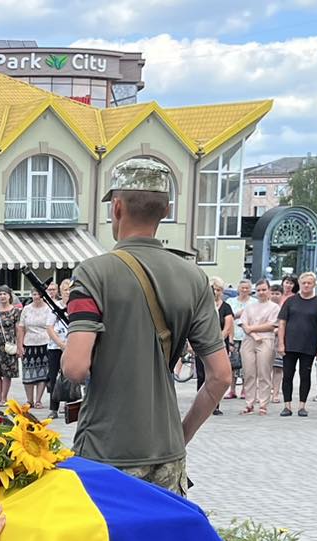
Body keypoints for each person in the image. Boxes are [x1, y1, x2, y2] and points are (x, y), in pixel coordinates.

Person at [61, 158, 230, 494]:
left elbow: (75, 369)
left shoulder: (93, 273)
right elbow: (221, 377)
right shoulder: (194, 277)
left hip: (104, 451)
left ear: (117, 208)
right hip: (167, 453)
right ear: (166, 211)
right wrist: (179, 436)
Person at [276, 272, 317, 417]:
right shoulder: (290, 301)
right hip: (290, 344)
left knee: (305, 374)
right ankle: (287, 405)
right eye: (304, 283)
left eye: (309, 283)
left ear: (314, 285)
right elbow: (282, 323)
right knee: (288, 374)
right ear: (300, 284)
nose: (306, 285)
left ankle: (302, 405)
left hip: (309, 344)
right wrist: (281, 343)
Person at [238, 280, 281, 415]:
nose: (261, 293)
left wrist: (252, 328)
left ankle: (263, 404)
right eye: (258, 290)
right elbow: (243, 323)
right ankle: (249, 403)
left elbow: (272, 325)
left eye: (264, 290)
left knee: (264, 372)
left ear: (268, 290)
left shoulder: (274, 307)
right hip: (248, 340)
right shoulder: (250, 306)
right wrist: (252, 333)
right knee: (249, 372)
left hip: (266, 339)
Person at [16, 289, 56, 410]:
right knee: (28, 372)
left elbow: (52, 327)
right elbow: (21, 328)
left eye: (39, 294)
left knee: (42, 373)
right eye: (34, 294)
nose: (36, 297)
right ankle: (29, 400)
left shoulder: (48, 309)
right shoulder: (26, 309)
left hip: (44, 343)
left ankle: (38, 400)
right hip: (29, 343)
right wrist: (20, 345)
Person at [204, 278, 234, 415]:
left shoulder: (226, 307)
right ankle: (203, 405)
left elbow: (227, 328)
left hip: (219, 345)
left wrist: (216, 341)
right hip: (203, 344)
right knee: (202, 375)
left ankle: (215, 405)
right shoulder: (203, 307)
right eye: (213, 289)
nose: (215, 292)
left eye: (218, 289)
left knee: (218, 375)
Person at [46, 279, 71, 415]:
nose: (68, 292)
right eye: (65, 290)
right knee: (53, 376)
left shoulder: (76, 305)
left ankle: (70, 405)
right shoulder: (55, 306)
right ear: (61, 292)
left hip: (72, 346)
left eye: (70, 289)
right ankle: (53, 408)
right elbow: (49, 327)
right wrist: (61, 344)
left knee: (71, 376)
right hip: (56, 346)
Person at [0, 287, 21, 403]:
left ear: (9, 296)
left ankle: (4, 397)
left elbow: (18, 329)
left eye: (4, 294)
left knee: (7, 373)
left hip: (9, 345)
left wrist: (19, 346)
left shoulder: (15, 311)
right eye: (0, 294)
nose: (2, 296)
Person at [228, 279, 251, 401]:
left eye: (247, 288)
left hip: (248, 337)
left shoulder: (254, 302)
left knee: (246, 365)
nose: (244, 290)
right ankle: (232, 390)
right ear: (238, 289)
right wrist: (237, 314)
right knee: (232, 365)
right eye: (242, 287)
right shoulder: (230, 301)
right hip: (234, 336)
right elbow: (228, 317)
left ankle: (244, 390)